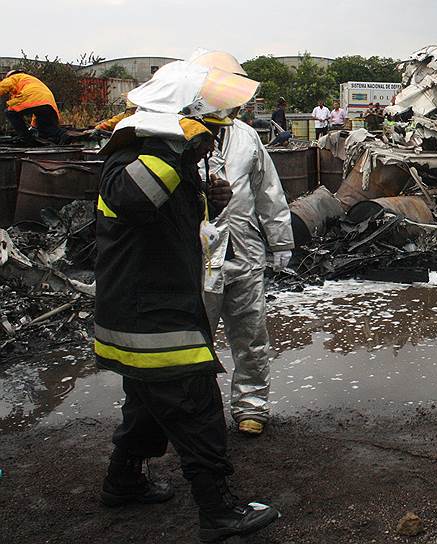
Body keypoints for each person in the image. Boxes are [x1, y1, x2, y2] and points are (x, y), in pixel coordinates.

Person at [94, 60, 280, 542]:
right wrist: (177, 150)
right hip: (153, 318)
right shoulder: (131, 156)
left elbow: (170, 223)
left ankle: (124, 480)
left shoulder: (154, 157)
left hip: (149, 312)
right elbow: (134, 199)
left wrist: (207, 198)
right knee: (196, 408)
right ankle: (219, 513)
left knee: (147, 402)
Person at [188, 49, 294, 436]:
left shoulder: (246, 137)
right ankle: (197, 413)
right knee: (196, 337)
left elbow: (269, 192)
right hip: (197, 257)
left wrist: (281, 243)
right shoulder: (178, 136)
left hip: (245, 251)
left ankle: (251, 407)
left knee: (250, 335)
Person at [0, 70, 65, 144]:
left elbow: (3, 86)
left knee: (10, 112)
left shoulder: (14, 77)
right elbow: (36, 106)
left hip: (32, 98)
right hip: (48, 103)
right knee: (45, 129)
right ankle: (64, 135)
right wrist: (33, 127)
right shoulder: (32, 80)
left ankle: (25, 138)